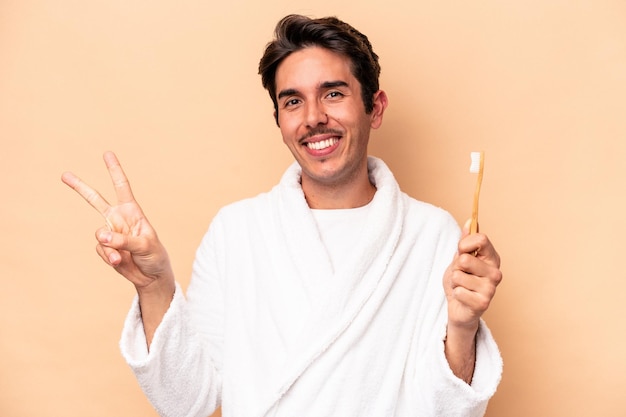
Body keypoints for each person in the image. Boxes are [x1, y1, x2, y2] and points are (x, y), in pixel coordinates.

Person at [62, 14, 503, 417]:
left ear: (376, 107)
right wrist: (155, 288)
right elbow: (186, 401)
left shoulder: (431, 236)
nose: (313, 118)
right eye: (292, 102)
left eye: (333, 93)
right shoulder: (236, 231)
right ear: (279, 119)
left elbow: (446, 411)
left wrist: (463, 329)